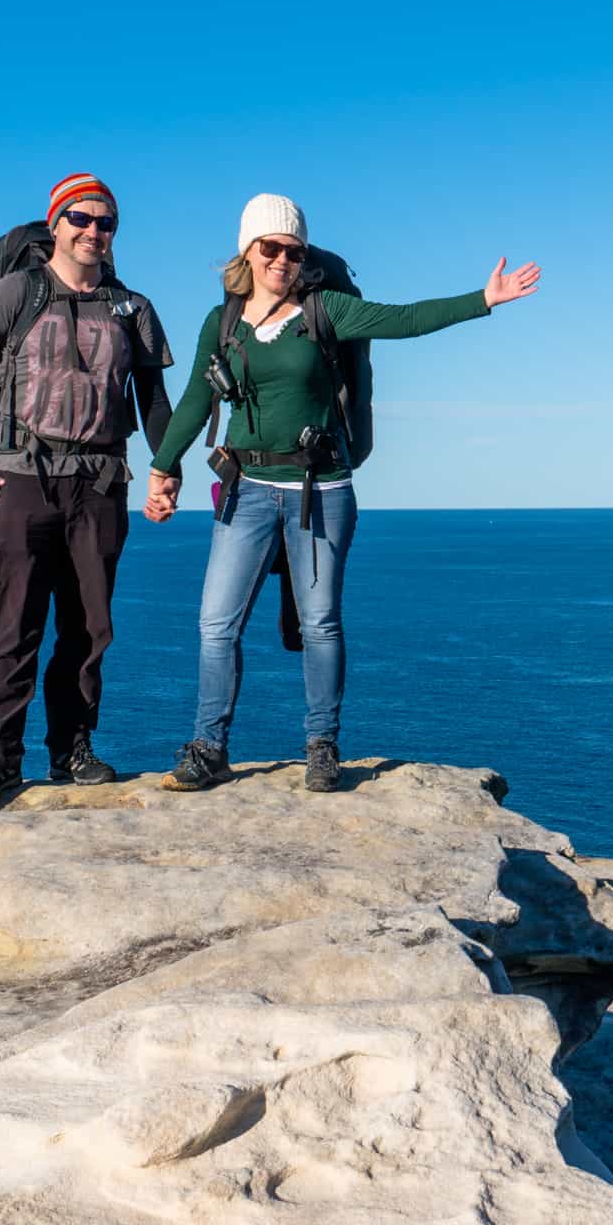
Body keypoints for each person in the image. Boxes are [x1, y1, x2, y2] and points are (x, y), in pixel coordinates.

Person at [145, 192, 539, 792]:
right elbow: (199, 401)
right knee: (215, 624)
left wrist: (484, 299)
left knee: (321, 622)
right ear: (247, 251)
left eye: (293, 250)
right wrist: (163, 467)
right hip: (245, 489)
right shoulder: (221, 322)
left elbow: (406, 319)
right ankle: (209, 747)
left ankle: (322, 746)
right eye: (271, 248)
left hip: (319, 489)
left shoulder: (326, 310)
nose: (282, 259)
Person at [0, 173, 175, 807]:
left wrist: (167, 465)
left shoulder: (133, 308)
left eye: (106, 223)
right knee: (14, 625)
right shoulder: (18, 292)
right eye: (82, 219)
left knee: (89, 628)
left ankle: (72, 749)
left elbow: (151, 399)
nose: (94, 231)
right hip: (21, 481)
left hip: (99, 483)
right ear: (56, 224)